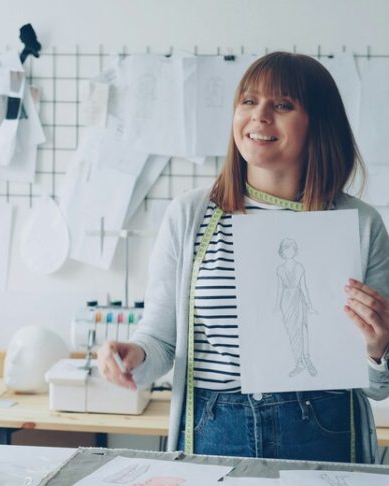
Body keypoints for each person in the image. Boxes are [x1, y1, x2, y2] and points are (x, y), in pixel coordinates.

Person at [97, 52, 389, 464]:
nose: (259, 116)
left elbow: (379, 386)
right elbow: (160, 342)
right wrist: (132, 357)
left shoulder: (359, 224)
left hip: (324, 430)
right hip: (214, 428)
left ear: (318, 123)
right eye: (249, 101)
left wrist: (378, 348)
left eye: (282, 105)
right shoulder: (189, 215)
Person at [275, 237, 318, 377]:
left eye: (291, 249)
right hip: (286, 302)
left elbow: (304, 286)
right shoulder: (280, 269)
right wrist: (276, 306)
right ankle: (298, 363)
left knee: (302, 329)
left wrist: (309, 305)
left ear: (295, 250)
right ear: (282, 252)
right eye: (286, 249)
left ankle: (307, 358)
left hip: (298, 299)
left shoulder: (299, 266)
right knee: (292, 332)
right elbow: (279, 289)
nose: (289, 252)